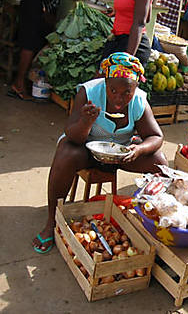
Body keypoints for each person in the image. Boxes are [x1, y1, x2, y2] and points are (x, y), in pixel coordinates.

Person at [32, 53, 168, 253]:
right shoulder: (89, 93)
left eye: (126, 92)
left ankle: (154, 222)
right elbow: (72, 135)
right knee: (66, 153)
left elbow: (156, 136)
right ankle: (51, 221)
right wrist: (85, 123)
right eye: (113, 90)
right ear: (105, 83)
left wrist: (139, 149)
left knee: (160, 162)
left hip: (120, 155)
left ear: (136, 88)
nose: (118, 98)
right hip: (86, 150)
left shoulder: (139, 101)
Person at [8, 0, 89, 101]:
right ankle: (18, 84)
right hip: (34, 3)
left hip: (43, 3)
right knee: (29, 44)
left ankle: (25, 82)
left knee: (37, 43)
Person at [101, 0, 154, 66]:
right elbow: (146, 16)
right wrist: (119, 12)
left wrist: (128, 58)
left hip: (132, 45)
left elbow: (140, 23)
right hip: (118, 40)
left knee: (117, 76)